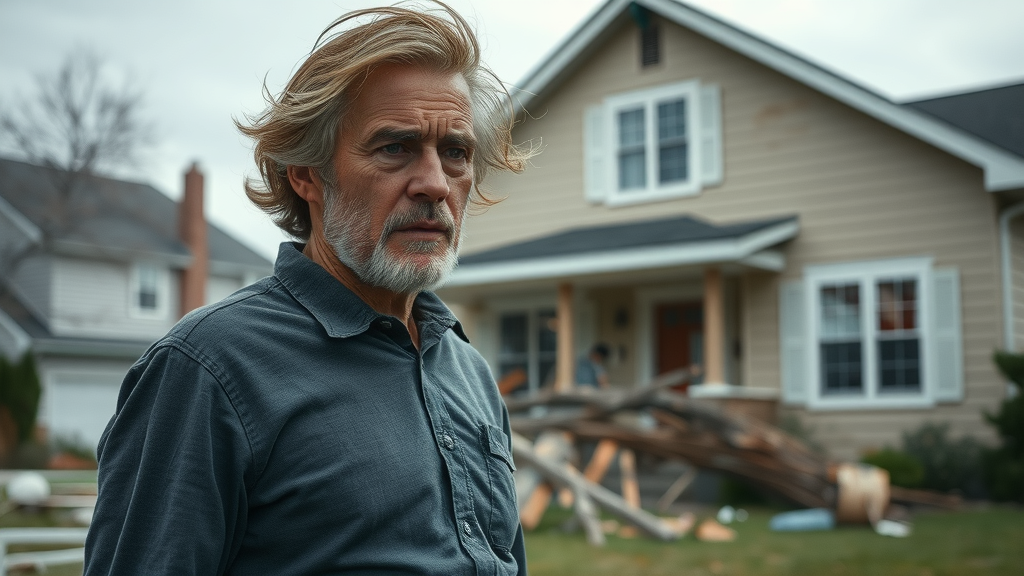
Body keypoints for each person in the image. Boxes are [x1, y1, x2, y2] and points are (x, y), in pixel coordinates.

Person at [84, 4, 535, 575]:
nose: (434, 184)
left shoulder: (467, 371)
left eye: (456, 153)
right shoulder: (209, 369)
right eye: (394, 147)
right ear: (306, 174)